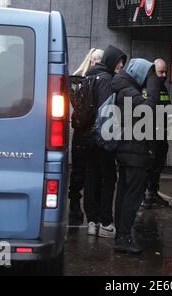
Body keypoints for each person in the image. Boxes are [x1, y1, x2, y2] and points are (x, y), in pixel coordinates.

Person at [111, 58, 162, 254]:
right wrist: (154, 83)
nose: (151, 79)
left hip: (129, 151)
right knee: (131, 197)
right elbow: (149, 108)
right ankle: (123, 237)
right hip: (134, 152)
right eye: (149, 74)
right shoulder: (129, 92)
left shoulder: (125, 88)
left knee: (124, 195)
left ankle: (121, 235)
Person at [83, 45, 127, 238]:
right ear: (110, 60)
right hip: (102, 138)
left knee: (91, 177)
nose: (121, 65)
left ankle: (91, 222)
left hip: (86, 136)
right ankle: (106, 222)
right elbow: (107, 111)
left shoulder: (88, 76)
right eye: (119, 61)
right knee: (109, 178)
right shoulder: (108, 80)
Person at [69, 48, 104, 225]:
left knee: (79, 171)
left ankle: (75, 204)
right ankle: (76, 204)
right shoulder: (84, 81)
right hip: (89, 131)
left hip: (81, 131)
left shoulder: (77, 80)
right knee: (86, 172)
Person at [142, 58, 171, 209]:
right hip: (149, 134)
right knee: (149, 165)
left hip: (161, 134)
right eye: (161, 72)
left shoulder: (163, 88)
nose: (164, 75)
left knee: (158, 165)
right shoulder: (147, 88)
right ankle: (144, 195)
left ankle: (153, 192)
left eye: (166, 72)